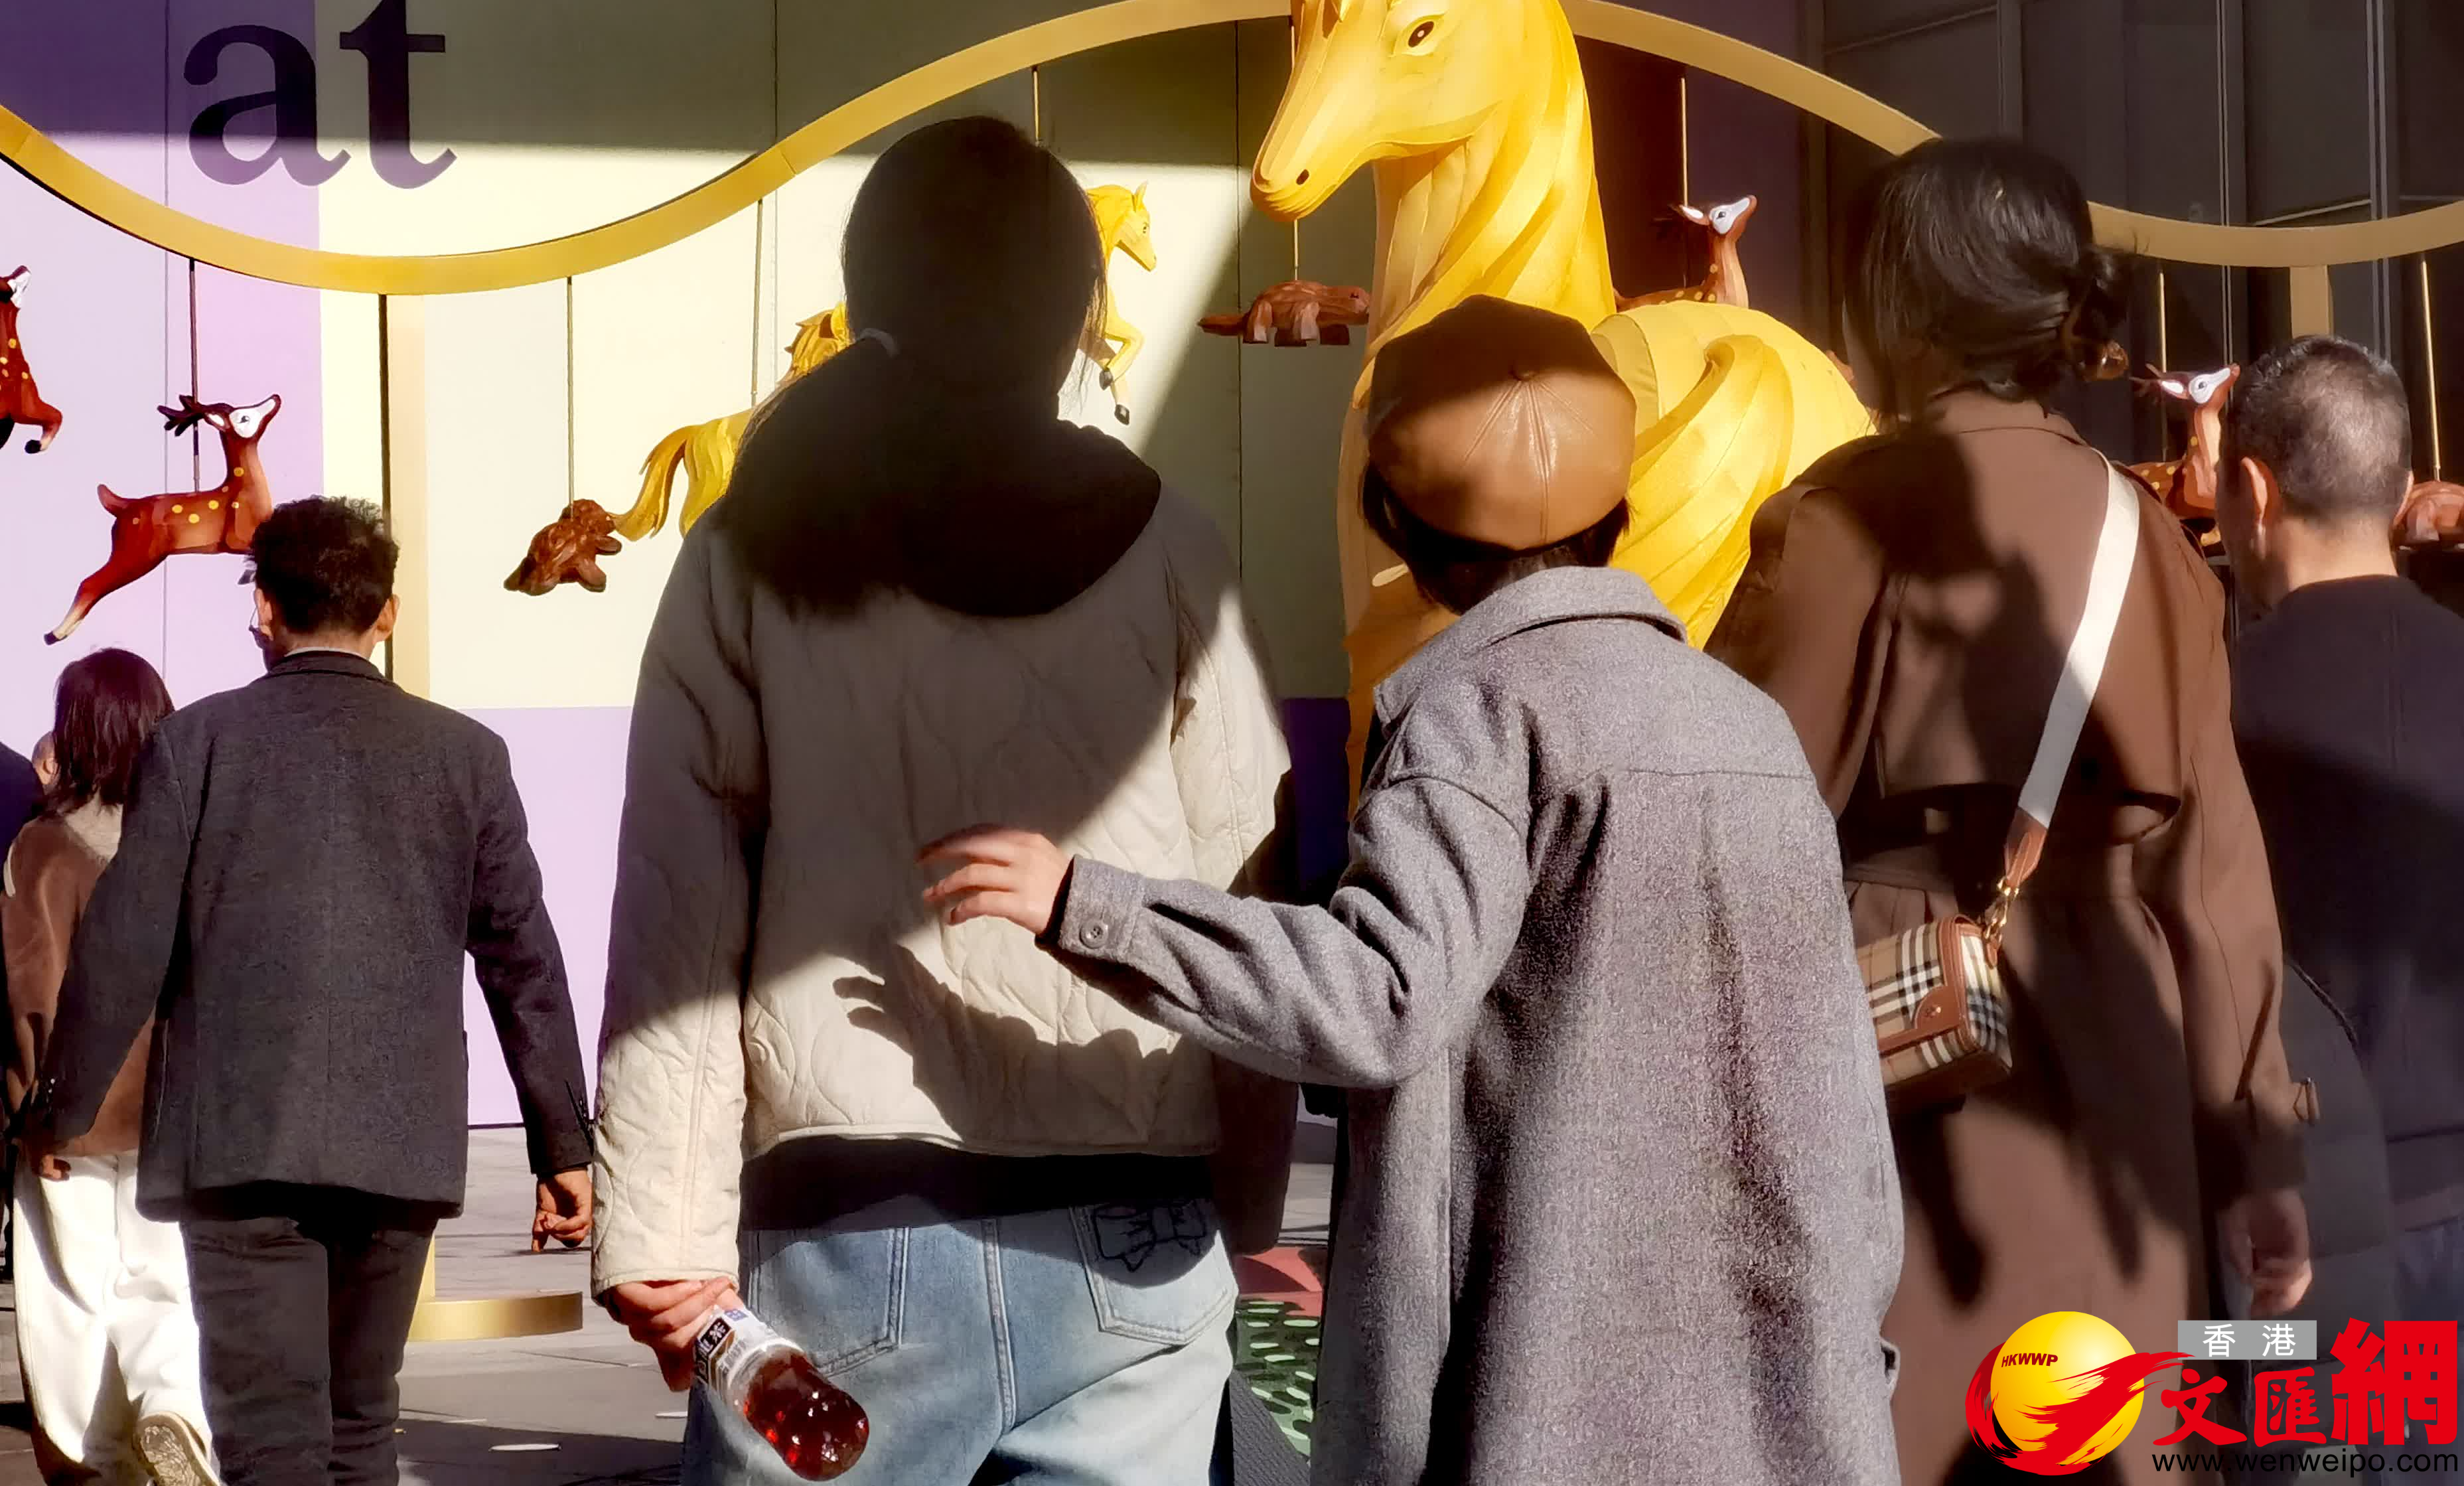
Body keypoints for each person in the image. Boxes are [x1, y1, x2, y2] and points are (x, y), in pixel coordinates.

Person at [922, 295, 1905, 1486]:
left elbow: (1381, 994)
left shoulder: (1477, 716)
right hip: (1787, 1399)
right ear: (1620, 510)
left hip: (1540, 1401)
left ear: (1398, 527)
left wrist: (1089, 903)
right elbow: (1838, 1089)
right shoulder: (1749, 727)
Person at [593, 116, 1296, 1486]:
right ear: (1076, 314)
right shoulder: (1174, 546)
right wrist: (1244, 1197)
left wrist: (659, 1231)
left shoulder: (753, 544)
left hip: (846, 1236)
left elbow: (681, 902)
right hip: (1134, 1230)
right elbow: (1241, 892)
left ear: (870, 298)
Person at [1705, 139, 2310, 1486]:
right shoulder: (2153, 543)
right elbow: (2214, 892)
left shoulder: (1843, 517)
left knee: (1898, 1420)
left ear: (1898, 302)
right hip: (2120, 1069)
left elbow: (1723, 818)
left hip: (1895, 1055)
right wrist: (2259, 1154)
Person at [21, 498, 595, 1486]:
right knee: (362, 1425)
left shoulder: (196, 744)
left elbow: (122, 945)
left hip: (237, 1143)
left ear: (265, 608)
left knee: (271, 1438)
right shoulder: (466, 756)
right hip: (399, 1143)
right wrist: (562, 1144)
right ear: (388, 614)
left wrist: (60, 1112)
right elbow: (522, 958)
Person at [2218, 337, 2464, 1335]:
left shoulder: (2211, 705)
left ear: (2250, 492)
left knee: (2275, 1429)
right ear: (2401, 493)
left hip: (2292, 1232)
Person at [5, 652, 215, 1486]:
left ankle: (96, 1456)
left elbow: (31, 990)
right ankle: (175, 1409)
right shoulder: (190, 838)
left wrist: (32, 1110)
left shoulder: (44, 849)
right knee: (166, 1277)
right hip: (174, 1109)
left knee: (70, 1289)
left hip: (72, 1111)